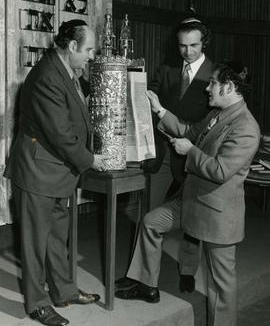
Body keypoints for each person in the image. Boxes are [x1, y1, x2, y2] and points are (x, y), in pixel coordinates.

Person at [115, 61, 260, 326]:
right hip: (192, 200)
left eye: (213, 83)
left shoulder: (246, 127)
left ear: (228, 87)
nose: (207, 89)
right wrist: (159, 109)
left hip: (218, 213)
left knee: (221, 284)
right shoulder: (217, 114)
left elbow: (219, 170)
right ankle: (147, 285)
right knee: (150, 223)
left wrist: (189, 151)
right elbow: (187, 132)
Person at [4, 19, 106, 326]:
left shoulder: (67, 70)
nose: (91, 56)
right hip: (38, 170)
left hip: (58, 171)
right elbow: (60, 133)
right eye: (88, 49)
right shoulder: (47, 75)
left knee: (56, 236)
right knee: (35, 242)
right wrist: (91, 160)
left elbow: (76, 121)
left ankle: (63, 291)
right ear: (72, 46)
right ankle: (37, 303)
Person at [145, 17, 213, 201]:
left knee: (191, 220)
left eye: (194, 45)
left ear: (204, 43)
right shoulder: (167, 67)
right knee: (150, 214)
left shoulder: (215, 75)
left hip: (194, 157)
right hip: (162, 154)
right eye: (182, 45)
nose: (188, 51)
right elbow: (150, 96)